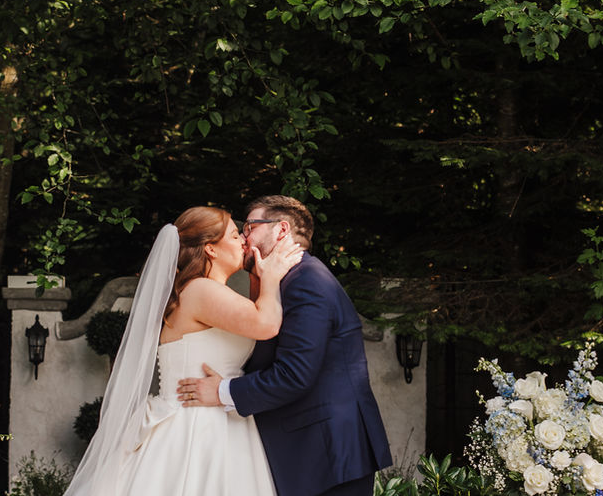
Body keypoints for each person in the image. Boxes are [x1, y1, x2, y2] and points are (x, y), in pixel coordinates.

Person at [63, 206, 303, 496]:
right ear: (210, 249)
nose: (243, 240)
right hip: (194, 425)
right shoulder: (200, 290)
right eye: (234, 235)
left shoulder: (205, 290)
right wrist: (272, 277)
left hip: (220, 417)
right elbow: (266, 324)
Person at [178, 195, 393, 496]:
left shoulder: (307, 281)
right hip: (309, 454)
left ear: (280, 230)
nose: (244, 237)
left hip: (328, 455)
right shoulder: (283, 281)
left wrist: (222, 391)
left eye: (250, 227)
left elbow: (294, 374)